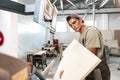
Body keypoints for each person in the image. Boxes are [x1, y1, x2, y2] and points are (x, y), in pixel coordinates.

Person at [59, 13, 110, 80]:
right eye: (71, 25)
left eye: (74, 23)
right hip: (91, 69)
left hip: (98, 70)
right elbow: (81, 53)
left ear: (80, 20)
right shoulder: (82, 35)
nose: (73, 26)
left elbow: (89, 56)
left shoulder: (91, 31)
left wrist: (69, 67)